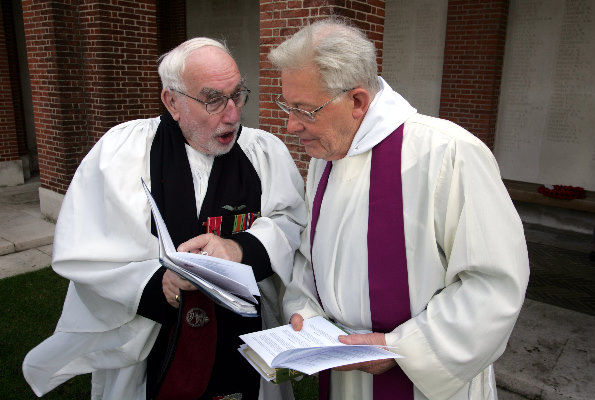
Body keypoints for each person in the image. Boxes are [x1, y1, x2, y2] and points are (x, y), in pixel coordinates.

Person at [22, 38, 306, 400]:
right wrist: (159, 282)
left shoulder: (263, 152)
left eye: (237, 95)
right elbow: (89, 248)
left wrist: (239, 248)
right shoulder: (122, 153)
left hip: (245, 338)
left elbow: (292, 221)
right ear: (172, 101)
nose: (233, 114)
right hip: (153, 344)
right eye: (213, 99)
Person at [269, 18, 530, 400]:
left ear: (357, 101)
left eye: (305, 110)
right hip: (339, 372)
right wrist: (303, 312)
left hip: (419, 383)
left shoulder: (448, 153)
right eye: (286, 106)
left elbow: (493, 283)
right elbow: (312, 256)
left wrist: (402, 347)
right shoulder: (324, 158)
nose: (291, 126)